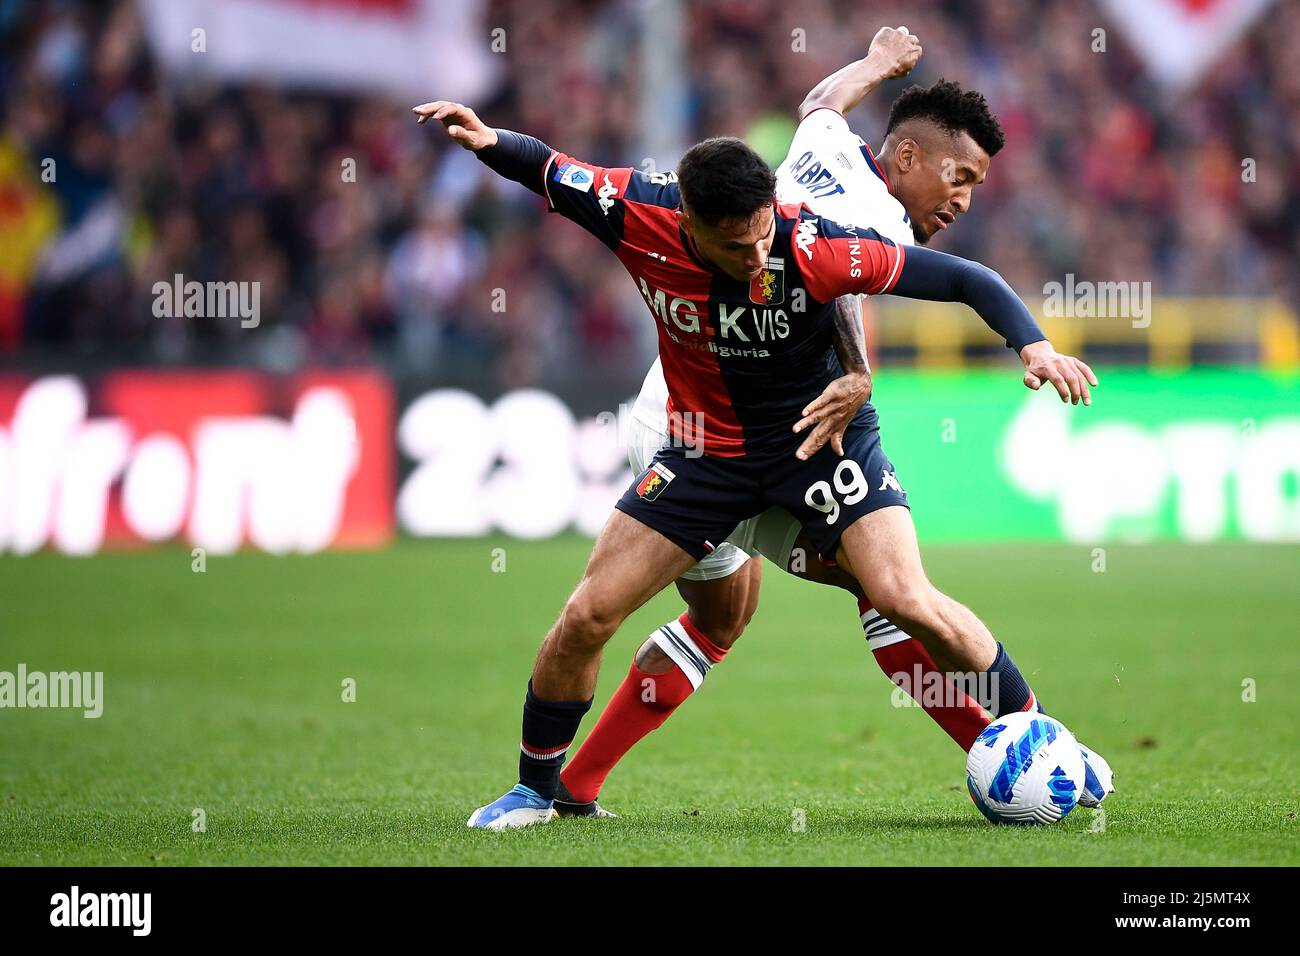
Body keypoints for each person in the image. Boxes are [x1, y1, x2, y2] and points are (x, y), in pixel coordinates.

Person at [415, 44, 1105, 829]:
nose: (966, 200)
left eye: (760, 236)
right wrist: (487, 139)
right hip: (694, 436)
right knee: (626, 617)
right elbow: (553, 169)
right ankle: (544, 789)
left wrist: (876, 63)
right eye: (961, 178)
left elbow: (823, 107)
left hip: (809, 439)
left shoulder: (817, 176)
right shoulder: (672, 213)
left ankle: (1043, 748)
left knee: (887, 596)